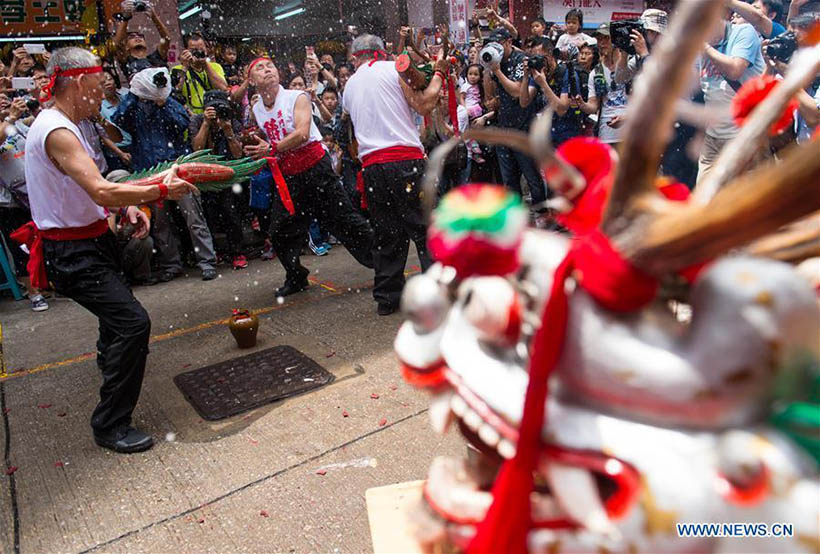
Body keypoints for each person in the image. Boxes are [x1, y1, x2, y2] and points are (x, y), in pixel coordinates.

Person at [18, 47, 195, 453]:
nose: (102, 96)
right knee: (133, 323)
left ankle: (112, 367)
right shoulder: (57, 130)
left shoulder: (74, 123)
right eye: (99, 88)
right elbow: (100, 188)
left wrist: (130, 204)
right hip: (72, 252)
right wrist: (161, 190)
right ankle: (110, 423)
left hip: (94, 241)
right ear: (78, 82)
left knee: (115, 323)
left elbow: (93, 189)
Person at [243, 57, 375, 298]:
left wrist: (271, 148)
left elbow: (302, 133)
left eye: (270, 66)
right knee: (279, 232)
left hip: (316, 170)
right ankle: (296, 276)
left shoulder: (296, 97)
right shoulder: (257, 109)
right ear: (252, 80)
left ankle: (385, 264)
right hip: (289, 177)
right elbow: (267, 139)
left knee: (346, 222)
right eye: (259, 69)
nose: (267, 70)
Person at [342, 34, 447, 315]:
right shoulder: (393, 69)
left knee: (387, 235)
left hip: (372, 168)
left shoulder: (349, 85)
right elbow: (424, 104)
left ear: (356, 58)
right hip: (405, 161)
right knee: (426, 230)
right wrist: (439, 73)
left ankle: (388, 299)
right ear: (382, 52)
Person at [112, 66, 219, 281]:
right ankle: (172, 264)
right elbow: (120, 120)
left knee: (194, 218)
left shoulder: (170, 103)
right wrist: (136, 94)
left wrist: (163, 102)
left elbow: (182, 124)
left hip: (176, 168)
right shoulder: (134, 107)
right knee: (161, 223)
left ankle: (207, 262)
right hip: (149, 170)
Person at [696, 13, 764, 183]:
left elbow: (735, 70)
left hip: (743, 136)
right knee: (704, 196)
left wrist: (706, 48)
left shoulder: (743, 32)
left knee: (744, 200)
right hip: (713, 138)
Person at [483, 27, 548, 206]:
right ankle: (516, 218)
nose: (495, 49)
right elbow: (489, 99)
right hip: (504, 127)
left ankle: (542, 215)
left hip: (524, 128)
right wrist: (487, 71)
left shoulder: (521, 60)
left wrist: (497, 72)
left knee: (531, 176)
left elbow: (518, 92)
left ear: (509, 42)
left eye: (499, 44)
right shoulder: (495, 62)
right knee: (509, 180)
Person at [189, 90, 248, 270]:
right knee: (208, 214)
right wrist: (206, 124)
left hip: (228, 174)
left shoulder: (232, 121)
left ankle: (237, 252)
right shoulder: (198, 121)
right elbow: (196, 150)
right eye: (212, 107)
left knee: (231, 213)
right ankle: (215, 252)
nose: (217, 111)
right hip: (204, 175)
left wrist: (228, 130)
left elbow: (238, 154)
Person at [0, 96, 49, 311]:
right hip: (8, 200)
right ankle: (34, 293)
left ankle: (49, 283)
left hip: (36, 192)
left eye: (4, 97)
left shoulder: (20, 123)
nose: (3, 100)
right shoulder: (9, 122)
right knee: (21, 246)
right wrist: (10, 116)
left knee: (45, 238)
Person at [575, 23, 630, 147]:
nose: (602, 43)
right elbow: (593, 106)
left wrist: (626, 117)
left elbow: (644, 101)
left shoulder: (630, 64)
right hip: (606, 135)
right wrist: (582, 104)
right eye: (599, 39)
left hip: (631, 135)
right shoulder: (596, 72)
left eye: (606, 38)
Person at [519, 36, 580, 147]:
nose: (537, 62)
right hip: (545, 138)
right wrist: (526, 77)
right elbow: (524, 102)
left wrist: (543, 84)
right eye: (534, 58)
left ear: (551, 55)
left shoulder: (566, 73)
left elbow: (562, 109)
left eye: (540, 58)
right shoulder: (537, 75)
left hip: (566, 138)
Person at [113, 0, 171, 82]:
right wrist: (125, 18)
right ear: (126, 47)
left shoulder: (157, 57)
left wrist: (154, 17)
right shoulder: (127, 61)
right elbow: (118, 44)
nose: (137, 38)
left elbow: (167, 38)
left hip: (164, 94)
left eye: (140, 36)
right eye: (132, 37)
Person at [171, 33, 228, 114]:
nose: (198, 52)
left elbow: (223, 88)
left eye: (201, 49)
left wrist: (205, 64)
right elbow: (175, 92)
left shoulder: (215, 67)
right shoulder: (177, 69)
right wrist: (185, 67)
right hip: (191, 117)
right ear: (186, 51)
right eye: (194, 50)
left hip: (215, 115)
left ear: (206, 49)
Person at [100, 68, 132, 171]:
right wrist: (120, 153)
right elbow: (103, 134)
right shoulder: (99, 106)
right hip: (116, 152)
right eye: (103, 81)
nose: (107, 83)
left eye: (109, 79)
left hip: (134, 146)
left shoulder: (125, 97)